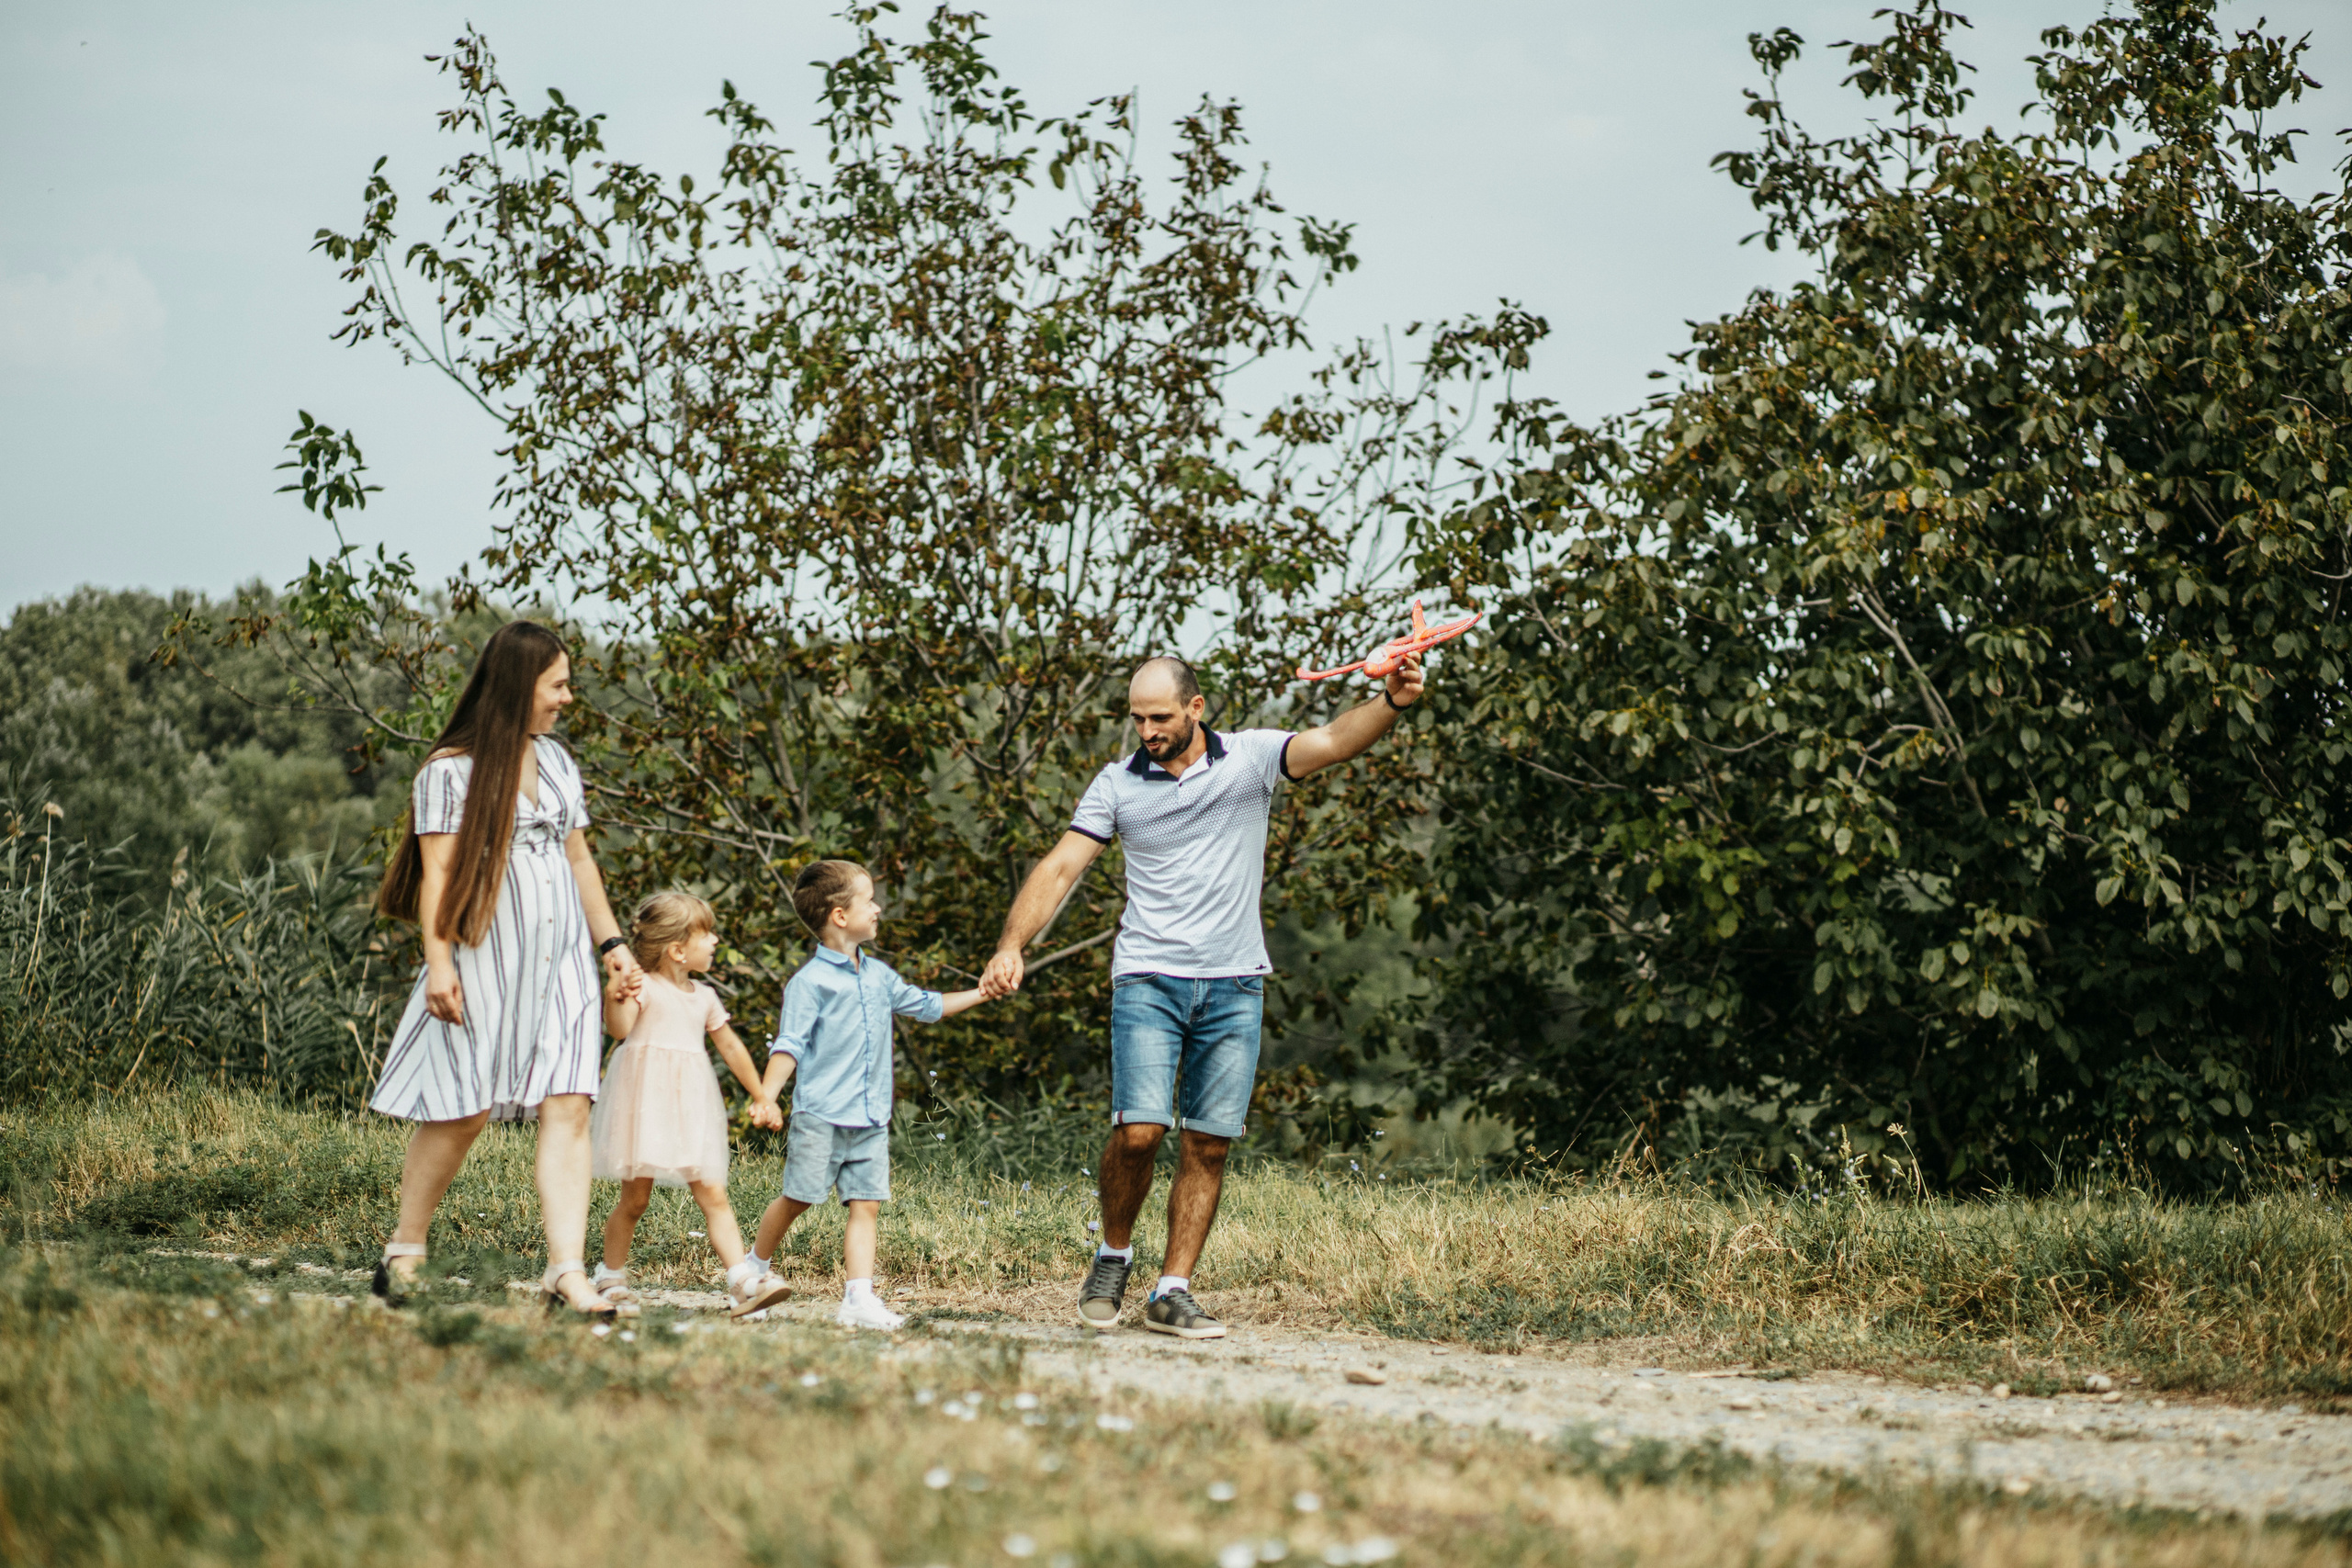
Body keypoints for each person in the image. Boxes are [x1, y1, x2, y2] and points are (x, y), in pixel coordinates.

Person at [980, 650, 1426, 1338]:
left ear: (1196, 708)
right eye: (1137, 718)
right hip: (1148, 977)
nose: (1147, 731)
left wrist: (1393, 701)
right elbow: (1062, 865)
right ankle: (1113, 1254)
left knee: (1208, 1145)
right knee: (1138, 1133)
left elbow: (1335, 740)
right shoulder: (1117, 784)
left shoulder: (1250, 759)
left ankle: (1172, 1291)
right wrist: (1013, 944)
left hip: (1234, 981)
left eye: (1159, 717)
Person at [369, 620, 645, 1320]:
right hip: (482, 957)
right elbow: (437, 874)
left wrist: (612, 944)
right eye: (558, 684)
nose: (568, 697)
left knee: (570, 1104)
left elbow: (579, 858)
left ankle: (566, 1271)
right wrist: (438, 963)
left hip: (562, 961)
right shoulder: (448, 772)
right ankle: (405, 1248)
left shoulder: (556, 761)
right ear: (521, 684)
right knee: (463, 1108)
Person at [747, 859, 989, 1330]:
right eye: (869, 901)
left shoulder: (879, 976)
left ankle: (858, 1298)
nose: (878, 909)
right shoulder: (809, 984)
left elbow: (929, 1005)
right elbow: (789, 1045)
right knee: (798, 1198)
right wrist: (767, 1095)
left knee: (866, 1204)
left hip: (871, 1117)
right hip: (822, 1116)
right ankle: (752, 1270)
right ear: (840, 916)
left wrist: (984, 992)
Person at [588, 891, 795, 1320]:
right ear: (678, 950)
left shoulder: (704, 996)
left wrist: (761, 1095)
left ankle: (742, 1281)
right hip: (644, 1105)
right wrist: (614, 994)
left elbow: (731, 1048)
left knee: (713, 1193)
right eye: (707, 934)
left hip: (690, 1107)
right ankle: (610, 1275)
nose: (716, 940)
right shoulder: (644, 987)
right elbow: (620, 1030)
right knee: (635, 1199)